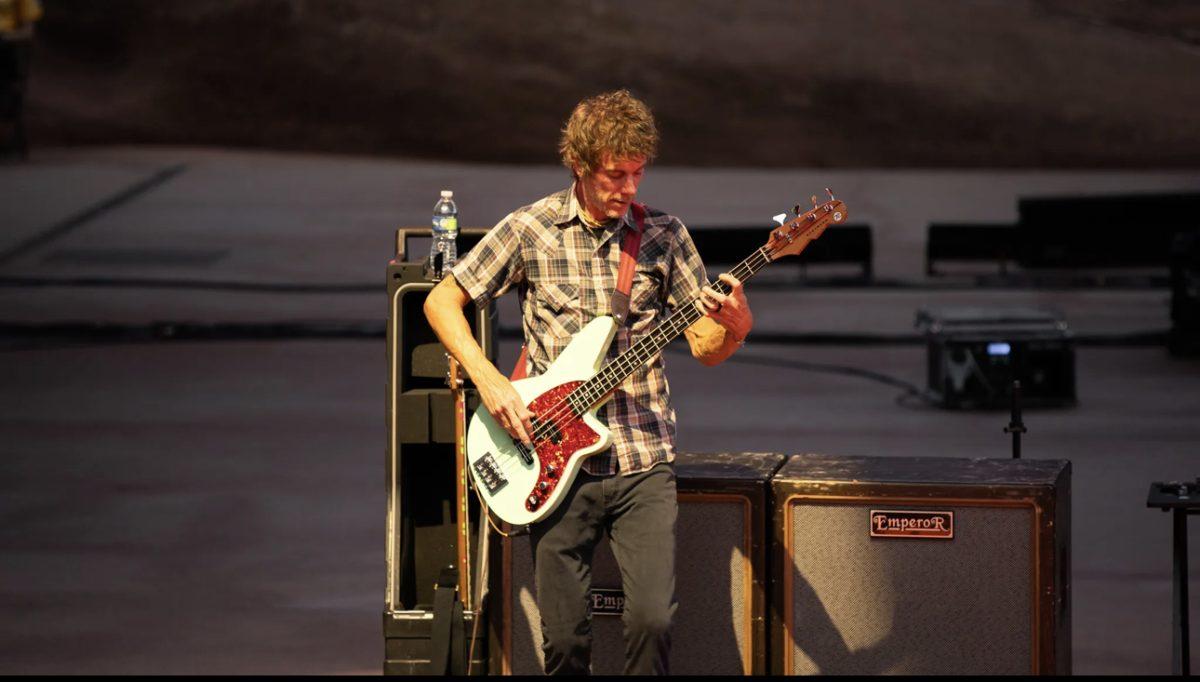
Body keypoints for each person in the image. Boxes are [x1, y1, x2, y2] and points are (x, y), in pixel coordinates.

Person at [423, 89, 752, 675]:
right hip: (549, 461)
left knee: (653, 620)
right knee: (565, 641)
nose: (628, 188)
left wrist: (737, 325)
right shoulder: (532, 228)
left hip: (641, 458)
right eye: (614, 175)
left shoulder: (665, 236)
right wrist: (491, 381)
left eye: (637, 173)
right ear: (579, 165)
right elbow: (443, 300)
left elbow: (705, 349)